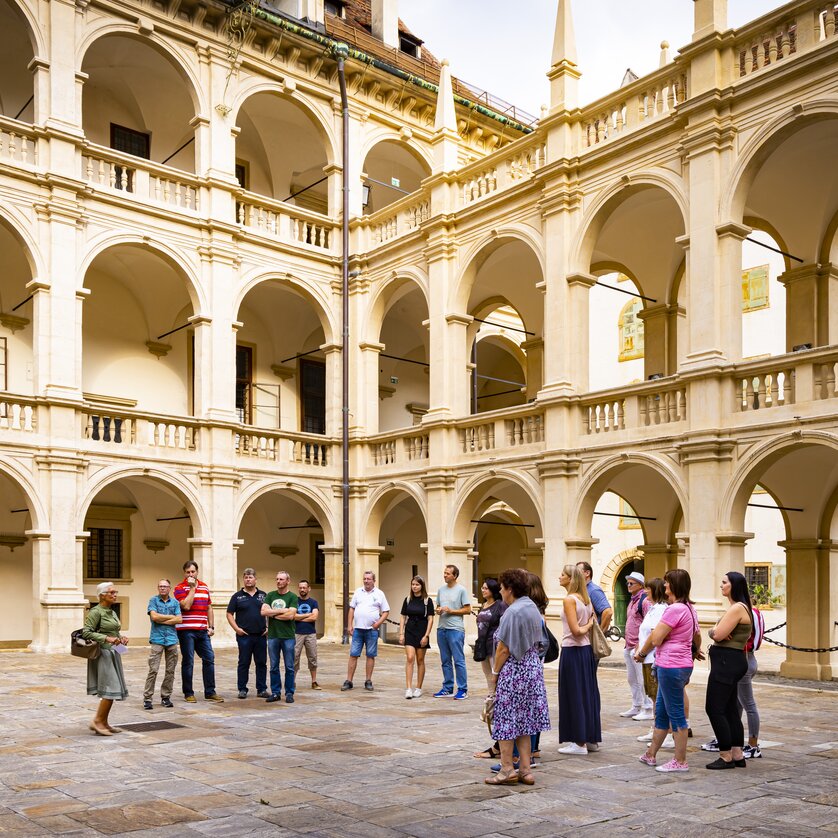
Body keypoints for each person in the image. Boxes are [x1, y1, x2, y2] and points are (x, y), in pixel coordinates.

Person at [484, 568, 550, 787]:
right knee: (525, 721)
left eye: (502, 588)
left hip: (514, 670)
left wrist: (494, 675)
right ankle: (525, 769)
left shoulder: (512, 612)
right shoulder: (532, 607)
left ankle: (506, 769)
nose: (500, 592)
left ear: (509, 589)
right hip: (532, 669)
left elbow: (503, 648)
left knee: (505, 719)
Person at [635, 568, 702, 773]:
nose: (664, 585)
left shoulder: (675, 609)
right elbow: (694, 634)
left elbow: (656, 638)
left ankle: (680, 761)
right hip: (674, 664)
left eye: (667, 582)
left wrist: (641, 652)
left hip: (671, 666)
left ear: (674, 585)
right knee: (662, 713)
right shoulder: (688, 608)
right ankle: (651, 754)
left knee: (676, 715)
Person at [704, 571, 753, 769]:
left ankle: (725, 756)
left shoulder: (736, 609)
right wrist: (716, 633)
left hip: (726, 662)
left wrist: (713, 632)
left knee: (714, 708)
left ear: (734, 585)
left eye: (725, 582)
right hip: (732, 661)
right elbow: (719, 634)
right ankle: (737, 753)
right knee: (730, 709)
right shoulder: (741, 607)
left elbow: (718, 634)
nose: (721, 585)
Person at [704, 602, 765, 759]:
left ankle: (753, 744)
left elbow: (717, 634)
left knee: (746, 703)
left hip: (741, 656)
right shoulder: (752, 612)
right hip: (747, 658)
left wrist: (714, 632)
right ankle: (733, 743)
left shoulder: (740, 611)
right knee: (734, 705)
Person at [557, 564, 600, 755]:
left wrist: (588, 625)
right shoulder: (586, 600)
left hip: (572, 651)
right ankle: (590, 739)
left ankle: (578, 742)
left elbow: (576, 631)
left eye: (562, 575)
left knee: (573, 695)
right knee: (586, 694)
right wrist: (589, 624)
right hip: (585, 651)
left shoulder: (569, 600)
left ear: (570, 579)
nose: (559, 577)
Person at [174, 561, 223, 703]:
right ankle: (188, 693)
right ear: (184, 573)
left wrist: (211, 626)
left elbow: (209, 608)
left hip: (202, 631)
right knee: (188, 661)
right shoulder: (179, 588)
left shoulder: (205, 587)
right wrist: (192, 589)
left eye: (193, 572)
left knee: (209, 658)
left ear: (197, 572)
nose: (190, 574)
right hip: (186, 631)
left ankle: (210, 692)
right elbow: (186, 606)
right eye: (188, 572)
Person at [83, 582, 129, 735]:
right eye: (111, 592)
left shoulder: (112, 611)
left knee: (113, 689)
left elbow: (114, 631)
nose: (115, 594)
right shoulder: (96, 612)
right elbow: (86, 633)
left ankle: (103, 722)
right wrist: (107, 638)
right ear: (102, 595)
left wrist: (121, 638)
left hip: (114, 652)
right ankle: (96, 721)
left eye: (115, 592)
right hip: (102, 654)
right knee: (111, 688)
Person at [342, 570, 389, 691]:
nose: (366, 581)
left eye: (369, 579)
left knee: (370, 655)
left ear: (374, 580)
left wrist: (378, 623)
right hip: (358, 629)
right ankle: (349, 680)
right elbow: (351, 609)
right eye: (365, 579)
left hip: (371, 631)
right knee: (353, 655)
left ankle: (368, 680)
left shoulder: (379, 594)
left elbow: (386, 612)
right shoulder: (358, 592)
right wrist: (349, 625)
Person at [633, 577, 668, 744]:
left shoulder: (661, 609)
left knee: (657, 697)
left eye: (648, 588)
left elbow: (655, 634)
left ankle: (662, 731)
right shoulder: (653, 608)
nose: (645, 591)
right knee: (653, 696)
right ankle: (656, 728)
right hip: (647, 657)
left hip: (652, 658)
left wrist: (642, 652)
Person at [225, 568, 268, 700]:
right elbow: (229, 614)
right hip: (244, 636)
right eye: (246, 577)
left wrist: (269, 626)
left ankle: (261, 689)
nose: (248, 580)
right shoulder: (237, 596)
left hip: (261, 635)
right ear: (243, 580)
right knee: (244, 662)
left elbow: (270, 611)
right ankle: (242, 689)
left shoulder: (263, 595)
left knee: (261, 663)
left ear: (255, 579)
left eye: (250, 577)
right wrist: (236, 629)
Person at [143, 579, 182, 710]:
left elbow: (180, 619)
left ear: (169, 588)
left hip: (171, 640)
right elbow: (154, 617)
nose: (162, 588)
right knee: (153, 669)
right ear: (157, 588)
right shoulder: (153, 600)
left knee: (170, 671)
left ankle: (166, 697)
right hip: (157, 639)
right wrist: (171, 618)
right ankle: (147, 698)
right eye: (160, 586)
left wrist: (162, 619)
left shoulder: (175, 602)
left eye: (165, 586)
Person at [434, 564, 471, 700]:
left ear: (455, 576)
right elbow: (438, 606)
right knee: (445, 660)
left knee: (458, 660)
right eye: (444, 573)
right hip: (441, 629)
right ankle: (447, 687)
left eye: (448, 573)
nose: (445, 575)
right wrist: (438, 610)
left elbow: (467, 609)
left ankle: (462, 689)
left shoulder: (461, 590)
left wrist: (452, 611)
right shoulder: (440, 590)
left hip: (455, 629)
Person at [261, 571, 298, 703]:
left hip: (288, 636)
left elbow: (291, 616)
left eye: (281, 579)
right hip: (273, 636)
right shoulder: (270, 595)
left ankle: (289, 693)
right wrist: (282, 610)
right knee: (274, 666)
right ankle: (276, 692)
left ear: (288, 581)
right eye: (277, 579)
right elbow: (263, 611)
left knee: (289, 666)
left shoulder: (293, 597)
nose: (278, 581)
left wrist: (273, 614)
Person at [621, 571, 653, 720]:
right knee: (632, 678)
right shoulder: (632, 600)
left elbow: (648, 623)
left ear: (640, 585)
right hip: (629, 645)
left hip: (638, 646)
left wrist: (641, 645)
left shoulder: (644, 601)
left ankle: (647, 708)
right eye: (627, 583)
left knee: (642, 679)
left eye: (631, 583)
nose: (628, 585)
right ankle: (636, 705)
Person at [398, 575, 435, 699]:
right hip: (410, 631)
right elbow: (403, 616)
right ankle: (408, 688)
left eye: (417, 585)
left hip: (422, 631)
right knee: (410, 658)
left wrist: (426, 635)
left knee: (420, 660)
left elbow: (430, 619)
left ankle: (418, 688)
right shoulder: (407, 599)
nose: (414, 587)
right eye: (413, 584)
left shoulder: (427, 601)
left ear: (422, 586)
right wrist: (401, 633)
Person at [294, 579, 321, 690]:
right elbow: (292, 616)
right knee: (294, 657)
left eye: (304, 587)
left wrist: (299, 618)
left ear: (309, 589)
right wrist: (307, 616)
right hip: (297, 633)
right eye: (300, 588)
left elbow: (314, 617)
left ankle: (314, 681)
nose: (302, 590)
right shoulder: (294, 601)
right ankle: (293, 681)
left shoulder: (313, 602)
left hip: (310, 634)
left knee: (313, 657)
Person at [576, 561, 613, 630]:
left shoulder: (594, 590)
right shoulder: (584, 589)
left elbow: (608, 612)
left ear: (587, 573)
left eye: (577, 571)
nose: (575, 574)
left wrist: (599, 633)